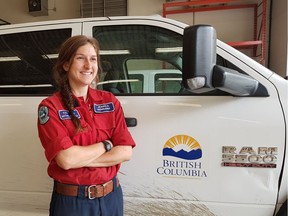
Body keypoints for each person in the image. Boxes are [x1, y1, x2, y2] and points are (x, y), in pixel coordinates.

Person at [37, 35, 136, 216]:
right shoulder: (50, 107)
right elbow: (66, 160)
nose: (88, 66)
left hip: (111, 198)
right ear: (66, 65)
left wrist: (80, 159)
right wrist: (106, 145)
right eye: (80, 58)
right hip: (72, 203)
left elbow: (125, 152)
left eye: (93, 59)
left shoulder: (110, 101)